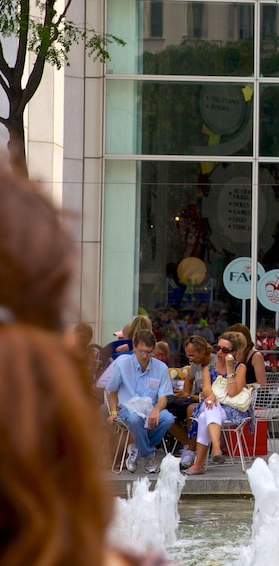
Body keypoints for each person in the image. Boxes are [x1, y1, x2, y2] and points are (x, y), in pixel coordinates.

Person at [0, 162, 171, 565]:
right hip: (123, 419)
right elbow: (107, 390)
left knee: (157, 419)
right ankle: (140, 456)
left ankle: (140, 455)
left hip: (138, 418)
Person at [105, 329, 176, 474]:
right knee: (134, 418)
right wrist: (113, 412)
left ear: (154, 350)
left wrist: (156, 410)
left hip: (150, 408)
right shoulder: (122, 364)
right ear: (134, 347)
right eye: (141, 351)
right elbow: (112, 391)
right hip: (127, 407)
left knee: (168, 418)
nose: (144, 356)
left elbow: (163, 397)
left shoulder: (161, 368)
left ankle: (137, 448)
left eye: (149, 352)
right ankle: (148, 454)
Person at [182, 331, 253, 475]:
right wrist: (212, 395)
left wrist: (229, 368)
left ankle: (200, 463)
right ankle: (216, 448)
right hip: (214, 405)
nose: (219, 352)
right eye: (217, 348)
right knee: (210, 407)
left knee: (204, 416)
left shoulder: (240, 368)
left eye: (224, 350)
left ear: (233, 352)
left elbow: (232, 392)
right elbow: (206, 389)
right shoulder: (209, 369)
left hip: (231, 409)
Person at [166, 334, 211, 468]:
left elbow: (217, 391)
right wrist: (186, 393)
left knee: (191, 409)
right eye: (188, 356)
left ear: (202, 351)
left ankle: (191, 451)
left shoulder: (214, 363)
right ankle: (189, 445)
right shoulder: (195, 364)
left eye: (192, 355)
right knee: (163, 411)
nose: (190, 359)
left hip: (209, 402)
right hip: (194, 399)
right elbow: (189, 380)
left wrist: (196, 397)